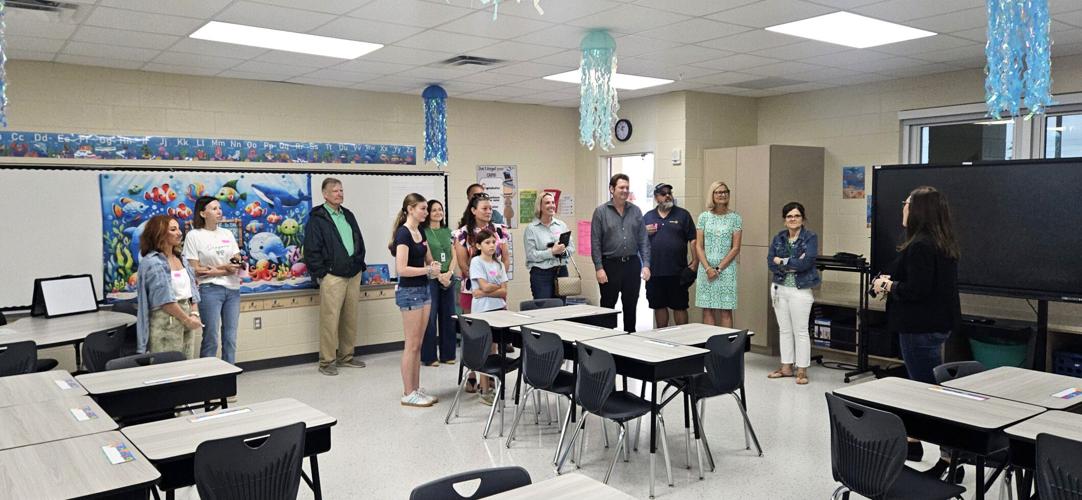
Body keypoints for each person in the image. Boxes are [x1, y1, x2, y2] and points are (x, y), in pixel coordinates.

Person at [872, 186, 960, 474]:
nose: (903, 207)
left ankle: (950, 456)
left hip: (920, 328)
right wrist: (890, 279)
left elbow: (917, 290)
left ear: (919, 210)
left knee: (928, 393)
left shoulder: (921, 245)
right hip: (934, 325)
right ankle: (913, 441)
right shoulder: (939, 242)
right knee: (922, 387)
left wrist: (888, 286)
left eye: (907, 203)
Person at [303, 178, 367, 376]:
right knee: (330, 320)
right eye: (335, 191)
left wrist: (359, 263)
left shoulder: (348, 214)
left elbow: (358, 240)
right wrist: (322, 273)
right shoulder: (317, 218)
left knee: (350, 318)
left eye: (341, 190)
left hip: (353, 274)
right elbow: (311, 249)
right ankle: (327, 361)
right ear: (325, 194)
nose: (339, 194)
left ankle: (346, 356)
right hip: (332, 276)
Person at [390, 193, 442, 408]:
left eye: (426, 209)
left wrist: (434, 266)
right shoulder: (403, 234)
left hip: (424, 289)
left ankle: (416, 388)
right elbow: (402, 269)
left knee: (418, 343)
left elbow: (428, 258)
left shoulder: (420, 231)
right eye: (422, 208)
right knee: (411, 344)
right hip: (409, 291)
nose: (426, 213)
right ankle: (407, 392)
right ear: (410, 209)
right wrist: (427, 270)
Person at [182, 196, 242, 364]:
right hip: (209, 290)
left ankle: (229, 372)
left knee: (230, 337)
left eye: (219, 208)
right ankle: (208, 374)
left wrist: (215, 270)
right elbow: (194, 270)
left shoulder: (227, 233)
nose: (219, 211)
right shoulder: (194, 235)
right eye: (214, 209)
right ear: (203, 213)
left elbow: (237, 262)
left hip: (232, 290)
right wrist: (224, 269)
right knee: (211, 337)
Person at [766, 202, 820, 385]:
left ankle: (802, 370)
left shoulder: (810, 237)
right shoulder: (779, 238)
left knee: (801, 330)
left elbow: (807, 263)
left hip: (800, 290)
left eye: (797, 216)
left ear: (803, 219)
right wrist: (792, 261)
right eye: (789, 216)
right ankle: (786, 367)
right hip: (779, 288)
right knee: (784, 330)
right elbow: (770, 262)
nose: (793, 219)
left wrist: (782, 260)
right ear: (784, 220)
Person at [591, 173, 651, 333]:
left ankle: (630, 339)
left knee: (631, 306)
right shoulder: (601, 212)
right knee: (607, 307)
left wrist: (646, 265)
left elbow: (643, 240)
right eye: (621, 187)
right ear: (612, 189)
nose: (625, 190)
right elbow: (595, 242)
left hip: (632, 264)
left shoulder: (636, 211)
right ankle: (605, 340)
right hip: (610, 265)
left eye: (627, 187)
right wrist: (599, 268)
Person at [135, 215, 202, 358]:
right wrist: (187, 320)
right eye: (173, 229)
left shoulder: (181, 258)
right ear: (159, 233)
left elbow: (193, 289)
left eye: (178, 229)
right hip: (166, 321)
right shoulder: (152, 262)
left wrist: (194, 314)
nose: (179, 233)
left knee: (187, 362)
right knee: (169, 365)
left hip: (187, 317)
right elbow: (165, 300)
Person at [643, 183, 697, 327]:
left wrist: (695, 263)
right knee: (659, 306)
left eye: (669, 193)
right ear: (656, 197)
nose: (667, 196)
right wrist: (643, 232)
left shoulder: (683, 215)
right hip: (655, 272)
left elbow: (693, 239)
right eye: (663, 193)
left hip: (678, 271)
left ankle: (683, 338)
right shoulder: (648, 217)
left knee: (680, 306)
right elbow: (640, 242)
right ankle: (662, 337)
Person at [469, 229, 509, 406]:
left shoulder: (499, 264)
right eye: (487, 242)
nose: (492, 245)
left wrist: (487, 290)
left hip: (498, 309)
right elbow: (484, 287)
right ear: (479, 246)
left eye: (493, 242)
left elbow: (503, 291)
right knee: (484, 349)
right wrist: (495, 287)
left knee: (494, 349)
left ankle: (494, 386)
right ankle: (484, 390)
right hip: (482, 311)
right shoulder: (476, 262)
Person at [453, 193, 511, 315]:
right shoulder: (463, 233)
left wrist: (496, 282)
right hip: (472, 288)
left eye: (490, 208)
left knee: (498, 322)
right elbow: (463, 265)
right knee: (473, 324)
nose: (489, 212)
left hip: (496, 287)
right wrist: (481, 283)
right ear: (473, 210)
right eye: (484, 208)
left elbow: (505, 259)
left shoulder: (499, 230)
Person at [695, 181, 741, 328]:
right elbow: (699, 246)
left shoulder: (735, 218)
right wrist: (708, 268)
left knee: (726, 310)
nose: (722, 195)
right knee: (707, 309)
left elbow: (735, 248)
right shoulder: (704, 217)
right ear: (712, 195)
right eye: (718, 192)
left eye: (725, 192)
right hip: (706, 268)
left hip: (726, 269)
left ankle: (726, 343)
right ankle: (710, 341)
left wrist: (718, 268)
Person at [421, 199, 458, 367]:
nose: (438, 213)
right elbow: (426, 257)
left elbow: (454, 255)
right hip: (431, 278)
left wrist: (449, 273)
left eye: (440, 209)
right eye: (434, 210)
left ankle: (448, 354)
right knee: (430, 318)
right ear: (428, 213)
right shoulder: (423, 232)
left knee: (449, 316)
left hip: (448, 277)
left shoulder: (448, 231)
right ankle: (429, 357)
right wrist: (438, 275)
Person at [523, 191, 573, 300]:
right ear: (539, 207)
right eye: (547, 203)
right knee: (544, 307)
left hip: (561, 271)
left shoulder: (561, 225)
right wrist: (552, 252)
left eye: (553, 202)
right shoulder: (531, 229)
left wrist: (563, 251)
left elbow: (571, 248)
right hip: (541, 274)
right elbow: (531, 255)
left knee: (561, 306)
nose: (551, 205)